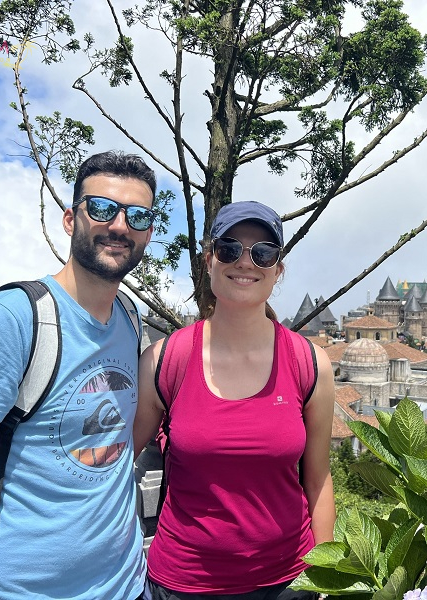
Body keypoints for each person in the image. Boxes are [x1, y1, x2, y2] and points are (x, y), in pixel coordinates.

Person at [0, 150, 157, 599]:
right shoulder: (10, 321)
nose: (120, 226)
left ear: (149, 232)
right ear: (69, 219)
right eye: (102, 208)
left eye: (137, 216)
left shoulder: (129, 317)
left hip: (125, 585)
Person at [134, 200, 336, 600]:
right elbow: (115, 463)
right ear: (209, 260)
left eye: (262, 253)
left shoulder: (310, 364)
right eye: (229, 249)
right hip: (183, 582)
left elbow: (318, 479)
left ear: (277, 271)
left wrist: (326, 576)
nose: (246, 262)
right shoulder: (165, 361)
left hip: (288, 581)